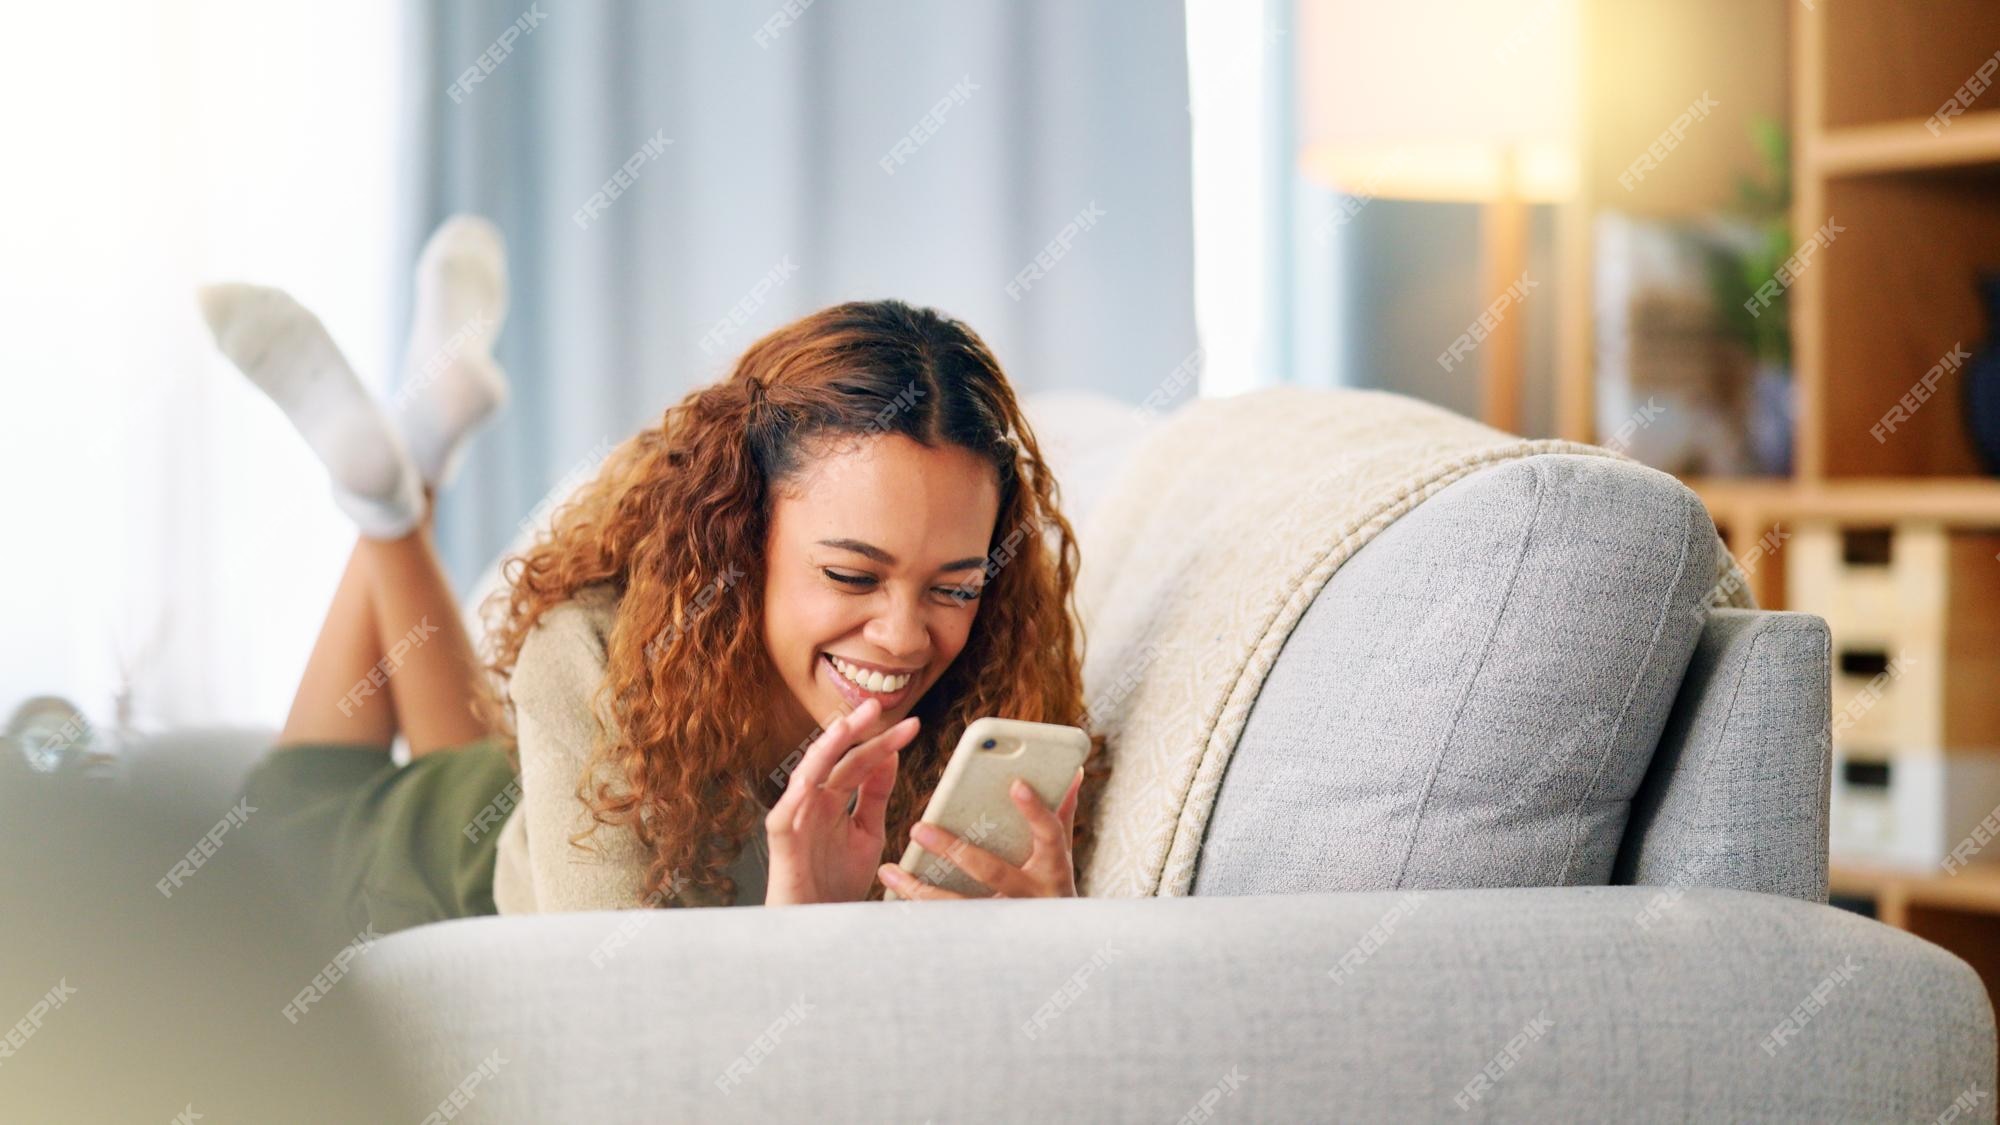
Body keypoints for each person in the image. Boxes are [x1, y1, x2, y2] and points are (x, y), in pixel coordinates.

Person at [201, 223, 1108, 936]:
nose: (907, 636)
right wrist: (798, 936)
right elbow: (621, 1026)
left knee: (478, 769)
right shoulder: (596, 649)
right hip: (412, 864)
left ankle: (398, 477)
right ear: (747, 533)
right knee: (281, 818)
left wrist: (1040, 945)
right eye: (850, 573)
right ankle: (391, 493)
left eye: (954, 584)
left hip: (516, 794)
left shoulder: (984, 694)